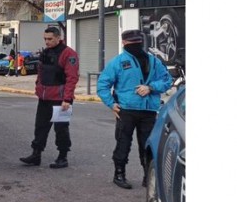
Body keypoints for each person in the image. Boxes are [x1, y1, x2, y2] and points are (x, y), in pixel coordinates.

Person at [96, 29, 172, 189]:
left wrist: (150, 87)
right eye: (132, 42)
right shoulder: (117, 62)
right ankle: (119, 174)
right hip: (126, 111)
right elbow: (102, 84)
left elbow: (167, 80)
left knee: (147, 145)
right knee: (123, 144)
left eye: (138, 42)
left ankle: (148, 176)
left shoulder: (154, 61)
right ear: (123, 43)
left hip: (148, 111)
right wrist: (111, 104)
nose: (136, 45)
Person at [19, 27, 79, 169]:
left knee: (61, 129)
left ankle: (62, 156)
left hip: (60, 99)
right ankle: (36, 154)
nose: (47, 41)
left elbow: (72, 78)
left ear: (59, 38)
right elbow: (40, 72)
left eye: (50, 39)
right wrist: (38, 87)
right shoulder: (45, 53)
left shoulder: (69, 54)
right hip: (44, 97)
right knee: (40, 127)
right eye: (45, 39)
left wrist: (67, 99)